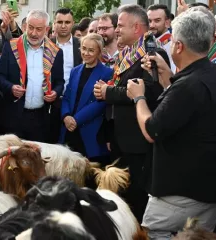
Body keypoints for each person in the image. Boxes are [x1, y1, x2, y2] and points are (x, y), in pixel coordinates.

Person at [127, 9, 216, 238]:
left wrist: (138, 97)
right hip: (209, 188)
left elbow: (152, 130)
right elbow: (194, 111)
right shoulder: (215, 75)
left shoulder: (188, 86)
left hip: (177, 194)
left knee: (154, 233)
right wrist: (169, 78)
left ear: (177, 46)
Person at [93, 4, 169, 222]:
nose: (116, 30)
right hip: (119, 137)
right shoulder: (126, 52)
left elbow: (149, 92)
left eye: (120, 26)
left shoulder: (153, 53)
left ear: (136, 28)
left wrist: (109, 92)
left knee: (137, 195)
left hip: (138, 139)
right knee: (121, 193)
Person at [0, 9, 64, 142]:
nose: (33, 33)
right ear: (25, 26)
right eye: (30, 28)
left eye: (39, 29)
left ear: (47, 29)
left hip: (41, 117)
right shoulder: (11, 47)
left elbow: (60, 82)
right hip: (13, 115)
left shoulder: (55, 52)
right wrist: (10, 88)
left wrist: (55, 93)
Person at [60, 33, 113, 162]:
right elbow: (67, 96)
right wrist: (66, 116)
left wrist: (76, 119)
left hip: (89, 131)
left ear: (99, 52)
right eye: (84, 48)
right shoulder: (75, 70)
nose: (86, 53)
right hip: (69, 129)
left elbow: (100, 103)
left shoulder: (107, 73)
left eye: (91, 50)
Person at [50, 8, 82, 143]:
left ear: (73, 23)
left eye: (67, 22)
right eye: (60, 22)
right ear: (54, 24)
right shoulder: (45, 44)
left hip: (74, 102)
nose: (63, 26)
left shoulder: (81, 45)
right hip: (50, 102)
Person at [147, 4, 176, 72]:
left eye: (157, 21)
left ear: (167, 23)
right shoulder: (147, 41)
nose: (152, 25)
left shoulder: (174, 44)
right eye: (149, 21)